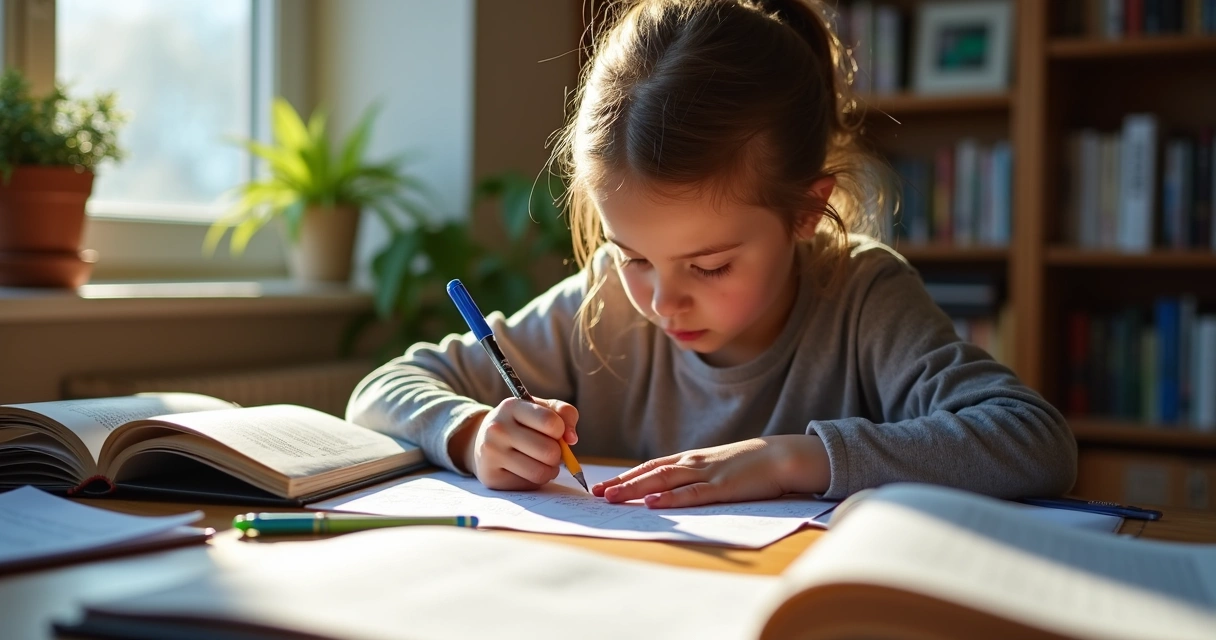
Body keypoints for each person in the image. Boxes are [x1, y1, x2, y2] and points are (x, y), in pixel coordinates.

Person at [347, 0, 1076, 508]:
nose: (663, 301)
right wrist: (472, 432)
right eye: (632, 254)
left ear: (806, 210)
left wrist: (795, 459)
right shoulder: (601, 305)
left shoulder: (860, 297)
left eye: (709, 266)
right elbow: (380, 392)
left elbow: (1034, 442)